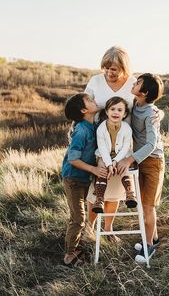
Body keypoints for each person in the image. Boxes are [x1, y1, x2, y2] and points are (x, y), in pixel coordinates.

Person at [84, 46, 137, 240]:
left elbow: (145, 105)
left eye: (113, 69)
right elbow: (85, 107)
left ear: (124, 67)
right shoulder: (95, 81)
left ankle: (108, 229)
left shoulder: (132, 83)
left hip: (123, 144)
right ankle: (88, 228)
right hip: (99, 143)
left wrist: (157, 113)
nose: (109, 73)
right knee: (97, 186)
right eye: (106, 68)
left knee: (115, 190)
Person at [117, 73, 165, 263]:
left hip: (153, 162)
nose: (134, 83)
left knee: (148, 206)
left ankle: (149, 247)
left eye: (138, 83)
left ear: (144, 92)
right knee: (143, 203)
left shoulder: (150, 114)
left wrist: (130, 159)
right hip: (139, 160)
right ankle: (152, 237)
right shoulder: (135, 104)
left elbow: (152, 144)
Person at [61, 93, 107, 266]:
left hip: (82, 178)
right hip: (73, 178)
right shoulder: (81, 130)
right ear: (84, 110)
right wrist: (94, 169)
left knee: (77, 216)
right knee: (78, 218)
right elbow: (73, 159)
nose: (95, 100)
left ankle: (74, 245)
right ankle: (69, 255)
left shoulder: (92, 125)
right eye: (90, 100)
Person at [91, 96, 137, 213]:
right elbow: (102, 148)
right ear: (107, 112)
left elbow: (126, 147)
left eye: (120, 110)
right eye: (112, 109)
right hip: (104, 155)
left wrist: (116, 161)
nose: (116, 112)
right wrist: (109, 164)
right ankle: (99, 199)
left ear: (125, 114)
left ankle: (130, 194)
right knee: (102, 166)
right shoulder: (101, 128)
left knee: (124, 166)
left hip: (122, 155)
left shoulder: (127, 128)